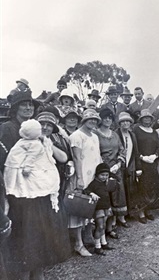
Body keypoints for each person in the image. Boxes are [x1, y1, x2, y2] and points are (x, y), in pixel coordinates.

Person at [4, 119, 70, 279]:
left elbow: (63, 158)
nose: (46, 128)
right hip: (27, 198)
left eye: (49, 126)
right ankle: (26, 275)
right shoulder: (22, 143)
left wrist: (46, 142)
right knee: (29, 238)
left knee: (42, 238)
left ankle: (38, 274)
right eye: (43, 125)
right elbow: (13, 164)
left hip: (45, 196)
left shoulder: (48, 143)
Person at [68, 109, 102, 257]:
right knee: (78, 209)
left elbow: (97, 157)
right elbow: (76, 158)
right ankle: (78, 244)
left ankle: (88, 236)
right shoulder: (76, 136)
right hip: (81, 176)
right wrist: (80, 178)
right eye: (90, 119)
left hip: (93, 177)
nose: (93, 122)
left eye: (95, 119)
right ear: (83, 120)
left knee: (90, 208)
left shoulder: (95, 136)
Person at [94, 108, 128, 239]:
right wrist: (104, 168)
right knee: (104, 199)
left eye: (110, 117)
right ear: (100, 119)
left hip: (115, 170)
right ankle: (100, 231)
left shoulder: (114, 134)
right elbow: (95, 152)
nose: (107, 120)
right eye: (105, 117)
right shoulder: (96, 134)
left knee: (115, 197)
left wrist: (119, 163)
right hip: (102, 171)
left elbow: (121, 150)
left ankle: (110, 228)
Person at [0, 90, 40, 173]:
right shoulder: (7, 127)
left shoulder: (36, 128)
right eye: (24, 105)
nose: (28, 108)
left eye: (31, 105)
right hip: (12, 172)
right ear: (16, 108)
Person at [133, 109, 159, 223]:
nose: (147, 120)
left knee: (151, 187)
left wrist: (155, 155)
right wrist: (141, 157)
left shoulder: (154, 131)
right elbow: (134, 147)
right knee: (142, 188)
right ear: (141, 119)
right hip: (141, 164)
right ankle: (141, 213)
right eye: (145, 118)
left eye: (149, 118)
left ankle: (149, 210)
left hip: (152, 164)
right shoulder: (136, 130)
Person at [84, 163, 116, 255]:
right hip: (98, 208)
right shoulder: (94, 183)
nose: (104, 177)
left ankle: (104, 243)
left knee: (104, 225)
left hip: (106, 206)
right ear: (97, 174)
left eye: (106, 175)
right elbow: (86, 190)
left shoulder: (105, 183)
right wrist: (91, 194)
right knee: (100, 226)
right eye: (102, 175)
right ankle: (97, 246)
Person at [116, 112, 143, 218]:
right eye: (123, 121)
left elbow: (136, 151)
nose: (125, 123)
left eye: (128, 121)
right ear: (120, 123)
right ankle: (121, 215)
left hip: (130, 165)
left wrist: (138, 167)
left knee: (131, 188)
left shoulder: (132, 135)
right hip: (119, 165)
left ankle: (129, 212)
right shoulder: (116, 134)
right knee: (120, 190)